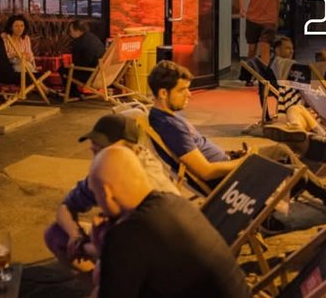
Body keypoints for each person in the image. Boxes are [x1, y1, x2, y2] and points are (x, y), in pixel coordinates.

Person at [146, 60, 326, 203]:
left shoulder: (167, 116)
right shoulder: (170, 127)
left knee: (283, 153)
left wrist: (234, 155)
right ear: (163, 93)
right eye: (182, 90)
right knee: (289, 166)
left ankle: (324, 195)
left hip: (229, 162)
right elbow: (206, 171)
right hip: (227, 179)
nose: (189, 94)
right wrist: (245, 160)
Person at [90, 146, 251, 297]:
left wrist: (106, 255)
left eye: (95, 193)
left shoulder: (128, 234)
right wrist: (105, 251)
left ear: (106, 192)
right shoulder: (173, 202)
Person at [43, 114, 179, 271]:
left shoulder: (149, 186)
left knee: (114, 252)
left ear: (131, 149)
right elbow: (66, 206)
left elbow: (141, 247)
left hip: (162, 255)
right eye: (94, 150)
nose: (97, 155)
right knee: (56, 234)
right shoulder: (107, 168)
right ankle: (98, 278)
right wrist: (75, 235)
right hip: (131, 242)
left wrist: (86, 248)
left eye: (104, 148)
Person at [239, 0, 283, 84]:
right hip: (253, 16)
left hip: (269, 18)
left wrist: (277, 15)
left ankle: (264, 79)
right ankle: (248, 76)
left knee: (265, 47)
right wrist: (242, 7)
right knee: (252, 49)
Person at [61, 19, 105, 95]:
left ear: (78, 31)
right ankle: (74, 92)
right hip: (100, 74)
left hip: (89, 75)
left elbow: (76, 63)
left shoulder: (78, 42)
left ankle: (71, 93)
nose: (70, 33)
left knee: (63, 69)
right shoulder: (94, 38)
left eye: (71, 31)